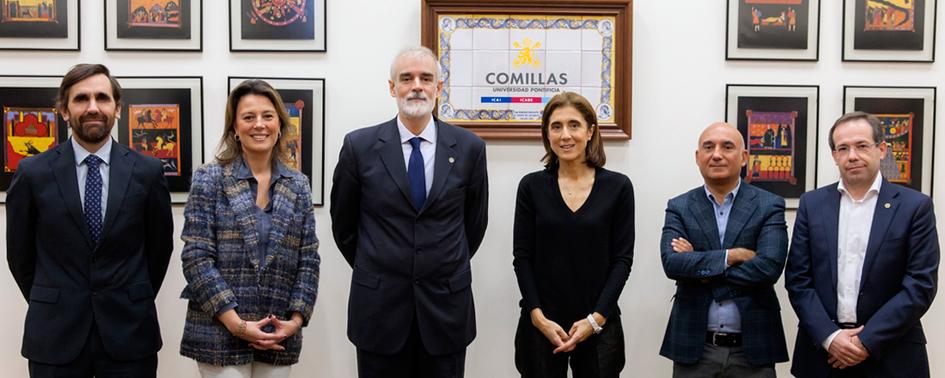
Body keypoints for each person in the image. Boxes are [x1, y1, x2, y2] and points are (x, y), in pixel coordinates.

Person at [330, 46, 489, 378]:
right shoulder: (359, 147)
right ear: (392, 88)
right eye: (407, 78)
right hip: (379, 311)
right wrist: (381, 264)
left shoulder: (470, 148)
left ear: (438, 89)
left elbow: (473, 225)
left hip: (445, 310)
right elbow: (344, 227)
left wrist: (438, 262)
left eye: (425, 78)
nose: (416, 85)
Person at [6, 63, 174, 377]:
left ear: (118, 108)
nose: (93, 107)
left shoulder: (148, 172)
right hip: (55, 334)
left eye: (102, 98)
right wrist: (55, 298)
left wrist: (131, 296)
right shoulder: (33, 173)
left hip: (130, 333)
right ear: (64, 110)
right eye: (81, 99)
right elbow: (19, 254)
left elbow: (159, 250)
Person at [179, 79, 320, 378]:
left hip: (277, 331)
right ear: (234, 127)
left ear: (280, 124)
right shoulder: (209, 179)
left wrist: (295, 321)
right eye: (248, 117)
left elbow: (308, 260)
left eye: (268, 116)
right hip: (220, 330)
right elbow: (197, 259)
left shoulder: (299, 185)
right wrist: (236, 324)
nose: (259, 124)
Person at [785, 111, 939, 378]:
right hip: (822, 355)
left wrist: (865, 341)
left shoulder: (915, 207)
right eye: (843, 148)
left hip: (893, 356)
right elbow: (798, 280)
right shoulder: (812, 204)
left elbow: (920, 284)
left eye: (861, 146)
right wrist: (830, 337)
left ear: (881, 150)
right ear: (834, 156)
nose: (852, 155)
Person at [512, 92, 634, 378]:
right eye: (556, 126)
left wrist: (595, 320)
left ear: (590, 131)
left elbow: (622, 260)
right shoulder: (531, 187)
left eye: (574, 125)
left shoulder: (618, 187)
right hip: (542, 324)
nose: (565, 135)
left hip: (599, 324)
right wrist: (538, 317)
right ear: (547, 134)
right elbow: (522, 258)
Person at [659, 122, 789, 377]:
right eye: (709, 147)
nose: (716, 154)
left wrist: (700, 267)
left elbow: (769, 268)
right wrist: (734, 256)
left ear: (743, 158)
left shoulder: (769, 205)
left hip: (753, 347)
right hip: (694, 346)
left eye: (727, 147)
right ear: (698, 157)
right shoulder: (679, 206)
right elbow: (672, 264)